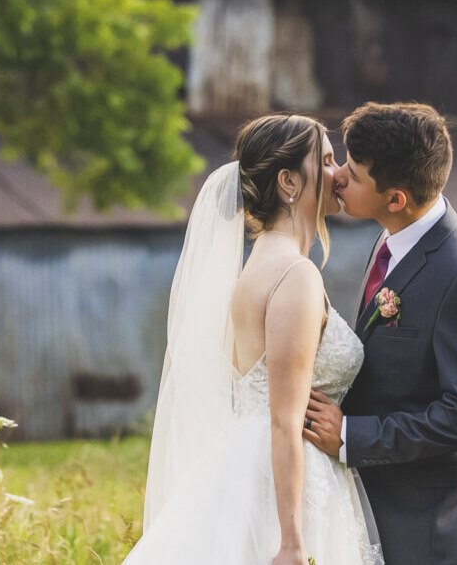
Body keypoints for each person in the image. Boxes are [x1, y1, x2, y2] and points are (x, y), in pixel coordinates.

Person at [126, 113, 380, 565]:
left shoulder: (260, 263)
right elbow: (284, 419)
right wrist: (291, 542)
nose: (338, 174)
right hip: (283, 487)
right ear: (288, 181)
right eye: (324, 161)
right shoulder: (294, 275)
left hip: (251, 468)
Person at [302, 102, 457, 565]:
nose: (338, 177)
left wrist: (352, 436)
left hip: (439, 529)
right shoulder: (392, 237)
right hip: (389, 511)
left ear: (397, 198)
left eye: (354, 173)